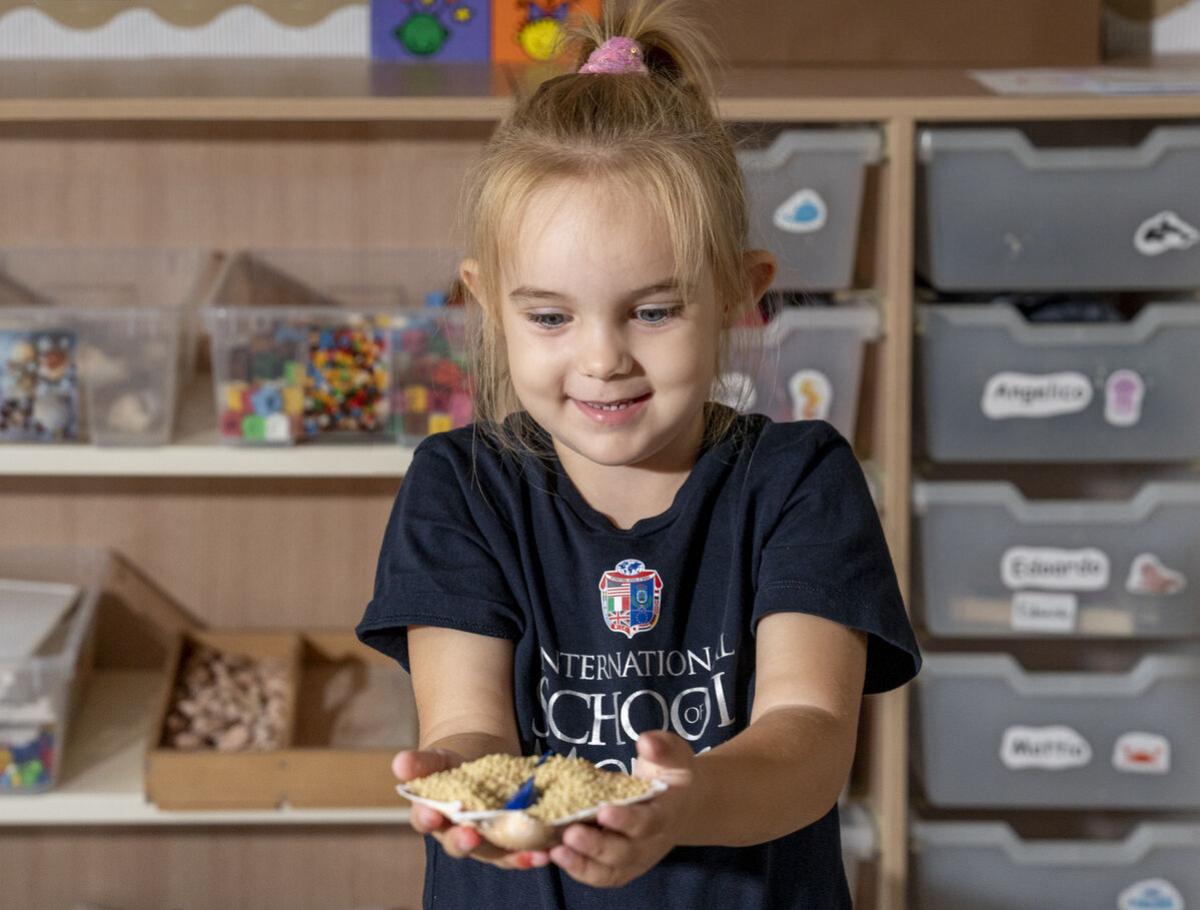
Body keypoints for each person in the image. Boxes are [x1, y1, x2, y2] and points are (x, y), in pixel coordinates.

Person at [356, 1, 921, 906]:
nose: (602, 357)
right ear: (488, 303)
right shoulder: (460, 487)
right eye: (550, 316)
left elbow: (810, 737)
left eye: (653, 311)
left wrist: (680, 803)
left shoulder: (801, 482)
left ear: (740, 293)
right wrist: (467, 790)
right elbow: (469, 726)